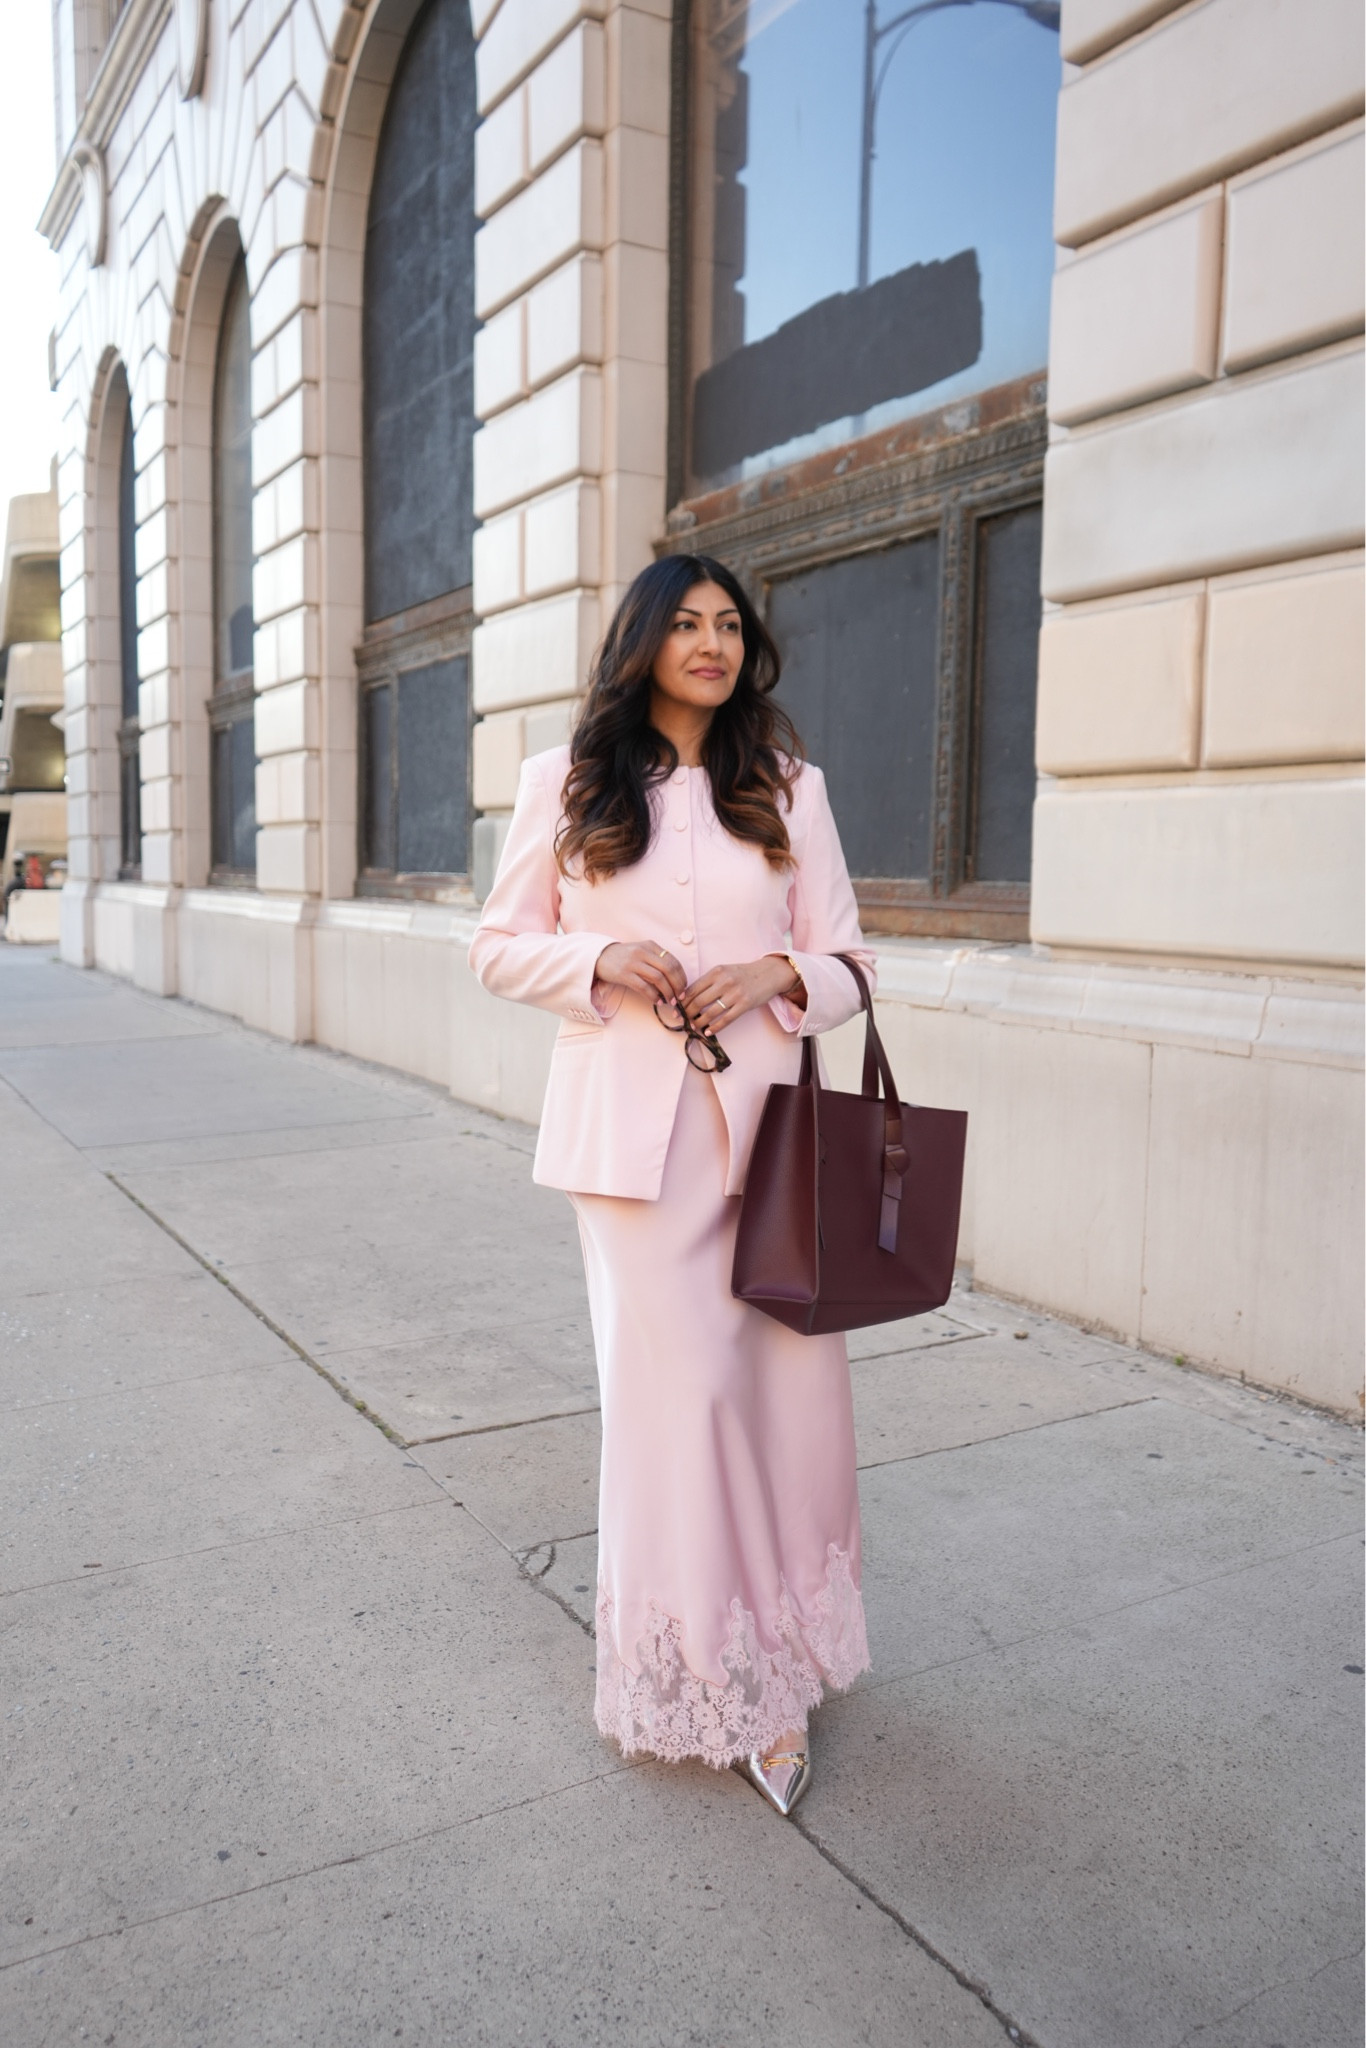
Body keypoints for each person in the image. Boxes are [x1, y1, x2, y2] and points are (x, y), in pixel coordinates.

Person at [469, 553, 875, 1817]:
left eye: (728, 624)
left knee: (788, 1400)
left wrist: (778, 976)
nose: (711, 642)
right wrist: (597, 957)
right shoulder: (567, 780)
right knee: (681, 1400)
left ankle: (783, 1646)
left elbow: (853, 960)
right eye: (686, 622)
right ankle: (717, 1673)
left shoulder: (790, 788)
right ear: (643, 640)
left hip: (771, 1143)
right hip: (630, 1157)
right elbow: (496, 946)